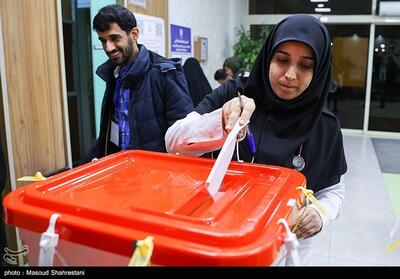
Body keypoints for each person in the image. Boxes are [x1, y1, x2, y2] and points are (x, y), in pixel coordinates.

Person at [165, 14, 347, 266]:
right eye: (282, 60)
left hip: (283, 253)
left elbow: (333, 190)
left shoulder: (325, 126)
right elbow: (173, 140)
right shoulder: (233, 94)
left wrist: (320, 214)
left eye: (305, 66)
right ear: (268, 57)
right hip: (218, 239)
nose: (290, 75)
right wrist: (219, 120)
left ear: (318, 71)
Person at [83, 4, 193, 163]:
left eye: (114, 38)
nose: (108, 47)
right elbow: (113, 129)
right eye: (103, 40)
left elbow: (185, 139)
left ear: (134, 34)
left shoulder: (166, 73)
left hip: (157, 176)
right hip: (121, 171)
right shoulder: (113, 74)